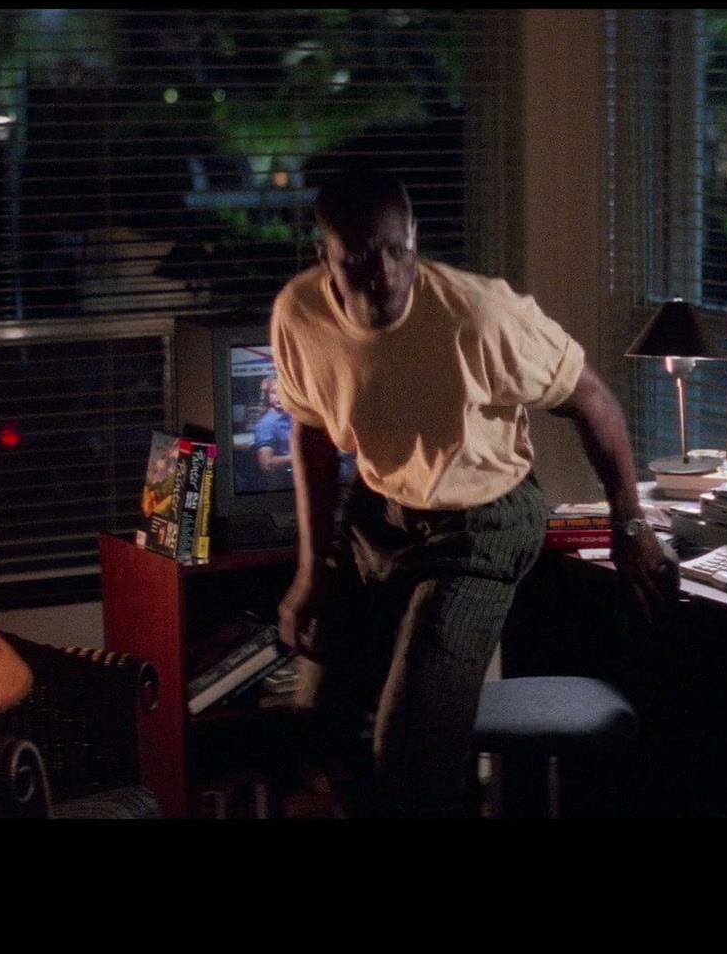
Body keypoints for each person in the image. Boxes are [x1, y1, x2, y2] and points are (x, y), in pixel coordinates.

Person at [268, 166, 672, 818]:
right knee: (316, 722)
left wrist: (631, 525)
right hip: (381, 510)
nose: (385, 273)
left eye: (397, 251)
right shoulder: (300, 314)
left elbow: (593, 399)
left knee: (411, 746)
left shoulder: (480, 315)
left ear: (414, 240)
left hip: (484, 518)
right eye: (361, 258)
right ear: (325, 257)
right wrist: (312, 569)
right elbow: (311, 430)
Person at [251, 374, 294, 491]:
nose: (278, 396)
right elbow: (267, 464)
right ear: (268, 396)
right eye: (273, 392)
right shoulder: (267, 424)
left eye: (283, 391)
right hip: (284, 484)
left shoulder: (292, 417)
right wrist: (298, 457)